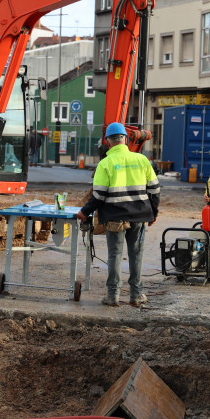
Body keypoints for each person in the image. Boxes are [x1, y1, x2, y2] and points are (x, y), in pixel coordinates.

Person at [77, 123, 160, 307]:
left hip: (114, 217)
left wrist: (84, 212)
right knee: (136, 255)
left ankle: (113, 296)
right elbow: (155, 189)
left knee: (115, 254)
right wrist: (153, 213)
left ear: (107, 142)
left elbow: (98, 195)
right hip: (139, 216)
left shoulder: (105, 163)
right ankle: (136, 295)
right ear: (126, 139)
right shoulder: (141, 160)